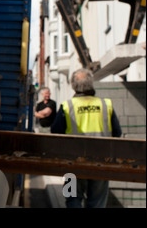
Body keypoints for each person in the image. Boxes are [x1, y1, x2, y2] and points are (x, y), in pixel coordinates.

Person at [51, 68, 122, 208]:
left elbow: (55, 132)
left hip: (72, 165)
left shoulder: (67, 106)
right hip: (101, 163)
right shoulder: (105, 105)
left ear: (73, 85)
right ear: (91, 84)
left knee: (71, 198)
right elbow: (117, 133)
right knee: (97, 201)